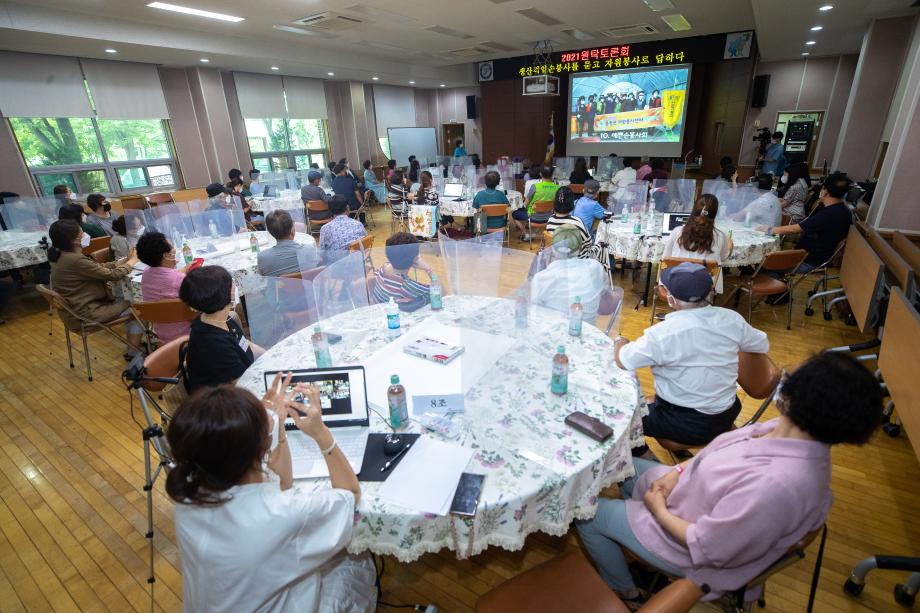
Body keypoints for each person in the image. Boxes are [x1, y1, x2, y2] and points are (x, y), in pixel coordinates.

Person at [577, 351, 882, 607]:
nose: (783, 379)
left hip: (688, 545)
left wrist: (657, 509)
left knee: (587, 516)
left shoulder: (777, 486)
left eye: (791, 378)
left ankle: (628, 593)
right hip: (689, 492)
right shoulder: (786, 431)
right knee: (622, 465)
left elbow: (707, 545)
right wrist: (676, 473)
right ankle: (632, 539)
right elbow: (714, 454)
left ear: (804, 403)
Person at [166, 380, 374, 612]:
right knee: (357, 559)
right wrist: (320, 433)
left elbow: (283, 484)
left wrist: (276, 428)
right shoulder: (284, 514)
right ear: (260, 448)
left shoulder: (188, 494)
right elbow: (350, 496)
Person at [614, 262, 769, 451]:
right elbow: (761, 344)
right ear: (710, 291)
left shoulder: (662, 334)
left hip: (687, 422)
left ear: (672, 300)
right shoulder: (731, 318)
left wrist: (620, 341)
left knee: (618, 418)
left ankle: (643, 458)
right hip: (727, 412)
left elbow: (623, 361)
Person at [47, 219, 143, 356]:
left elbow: (97, 268)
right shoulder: (74, 260)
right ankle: (133, 351)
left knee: (129, 299)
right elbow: (113, 275)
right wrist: (133, 261)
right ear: (75, 239)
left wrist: (124, 261)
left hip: (74, 311)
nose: (85, 234)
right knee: (140, 307)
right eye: (81, 232)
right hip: (87, 313)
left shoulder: (62, 256)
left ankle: (134, 343)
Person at [179, 265, 262, 392]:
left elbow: (244, 344)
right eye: (231, 284)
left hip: (243, 381)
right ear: (227, 294)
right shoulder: (214, 343)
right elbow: (244, 385)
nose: (235, 286)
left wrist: (271, 356)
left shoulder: (219, 318)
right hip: (224, 399)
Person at [767, 172, 853, 273]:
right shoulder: (845, 212)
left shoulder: (828, 215)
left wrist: (769, 229)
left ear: (825, 191)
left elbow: (795, 229)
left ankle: (777, 280)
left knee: (763, 265)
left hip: (806, 261)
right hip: (814, 257)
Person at [530, 226, 611, 325]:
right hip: (588, 331)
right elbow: (605, 302)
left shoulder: (541, 278)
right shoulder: (595, 267)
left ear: (553, 249)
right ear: (580, 249)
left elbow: (535, 316)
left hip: (552, 331)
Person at [662, 194, 733, 293]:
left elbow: (665, 258)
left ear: (694, 209)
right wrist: (730, 246)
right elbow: (723, 257)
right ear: (714, 214)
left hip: (676, 287)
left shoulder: (677, 231)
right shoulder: (720, 236)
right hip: (704, 290)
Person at [137, 232, 190, 344]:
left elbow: (167, 279)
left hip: (162, 335)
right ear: (166, 255)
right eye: (172, 246)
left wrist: (183, 270)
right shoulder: (179, 279)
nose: (174, 249)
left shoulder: (146, 273)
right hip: (189, 335)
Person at [372, 232, 433, 304]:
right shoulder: (406, 286)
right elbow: (440, 293)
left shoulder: (384, 267)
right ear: (416, 258)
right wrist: (428, 269)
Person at [257, 210, 318, 276]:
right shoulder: (309, 250)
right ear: (292, 229)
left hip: (277, 283)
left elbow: (261, 277)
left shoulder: (263, 257)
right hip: (306, 282)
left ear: (270, 232)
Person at [513, 165, 558, 240]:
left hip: (533, 216)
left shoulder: (535, 187)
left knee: (514, 214)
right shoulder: (557, 187)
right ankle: (535, 233)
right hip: (549, 217)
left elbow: (525, 204)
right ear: (552, 175)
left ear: (540, 174)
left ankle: (526, 234)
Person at [546, 186, 593, 257]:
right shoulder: (577, 222)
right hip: (577, 259)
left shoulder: (550, 219)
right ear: (571, 203)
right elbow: (588, 244)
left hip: (557, 258)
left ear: (555, 203)